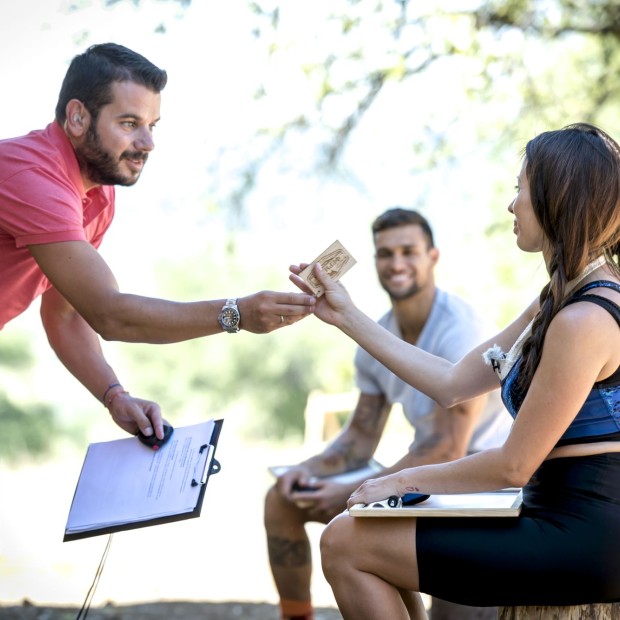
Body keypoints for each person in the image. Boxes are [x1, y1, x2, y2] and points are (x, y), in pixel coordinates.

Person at [290, 122, 620, 619]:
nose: (512, 206)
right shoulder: (560, 298)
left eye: (520, 190)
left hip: (584, 536)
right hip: (551, 515)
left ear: (557, 199)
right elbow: (453, 384)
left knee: (345, 544)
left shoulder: (585, 319)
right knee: (360, 535)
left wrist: (400, 481)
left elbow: (513, 465)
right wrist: (346, 315)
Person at [0, 43, 315, 442]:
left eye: (153, 125)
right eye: (129, 123)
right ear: (77, 117)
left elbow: (68, 312)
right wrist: (237, 314)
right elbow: (109, 314)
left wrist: (115, 396)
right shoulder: (32, 176)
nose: (147, 143)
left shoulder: (96, 192)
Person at [265, 208, 512, 620]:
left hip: (476, 490)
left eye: (408, 251)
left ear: (432, 257)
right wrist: (306, 471)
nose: (396, 263)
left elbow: (447, 450)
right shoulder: (378, 333)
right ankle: (296, 616)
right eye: (385, 253)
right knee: (283, 500)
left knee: (452, 613)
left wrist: (360, 490)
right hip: (425, 484)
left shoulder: (458, 329)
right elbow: (359, 437)